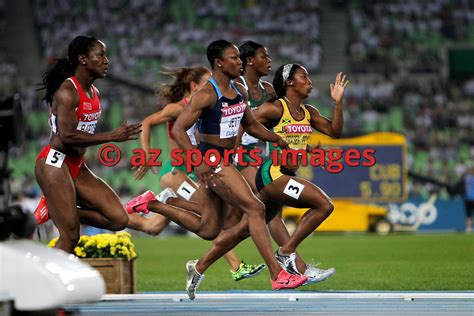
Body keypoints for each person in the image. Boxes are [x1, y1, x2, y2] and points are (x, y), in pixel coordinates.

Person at [127, 40, 308, 298]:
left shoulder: (237, 91)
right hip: (212, 160)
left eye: (239, 58)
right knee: (256, 208)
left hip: (225, 160)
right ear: (219, 63)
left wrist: (276, 139)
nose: (239, 62)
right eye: (234, 58)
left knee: (209, 229)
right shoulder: (207, 94)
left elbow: (253, 126)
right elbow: (178, 130)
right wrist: (198, 162)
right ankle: (277, 275)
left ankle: (152, 204)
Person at [187, 64, 347, 287]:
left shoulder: (309, 113)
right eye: (304, 77)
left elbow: (335, 132)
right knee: (324, 204)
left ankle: (198, 266)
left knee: (245, 228)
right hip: (273, 174)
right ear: (290, 82)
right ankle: (286, 252)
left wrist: (338, 103)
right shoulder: (275, 109)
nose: (309, 82)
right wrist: (234, 150)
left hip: (284, 175)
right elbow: (247, 122)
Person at [127, 65, 265, 281]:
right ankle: (236, 266)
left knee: (151, 227)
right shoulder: (179, 108)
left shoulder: (211, 106)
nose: (213, 84)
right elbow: (147, 122)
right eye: (207, 81)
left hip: (197, 172)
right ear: (194, 86)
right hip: (176, 173)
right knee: (210, 216)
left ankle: (119, 214)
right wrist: (146, 152)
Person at [34, 35, 142, 253]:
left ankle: (57, 210)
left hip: (76, 164)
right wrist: (111, 136)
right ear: (83, 59)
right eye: (100, 55)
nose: (106, 60)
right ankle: (46, 283)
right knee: (70, 236)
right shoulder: (67, 91)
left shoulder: (95, 92)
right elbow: (67, 136)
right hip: (54, 163)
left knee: (118, 219)